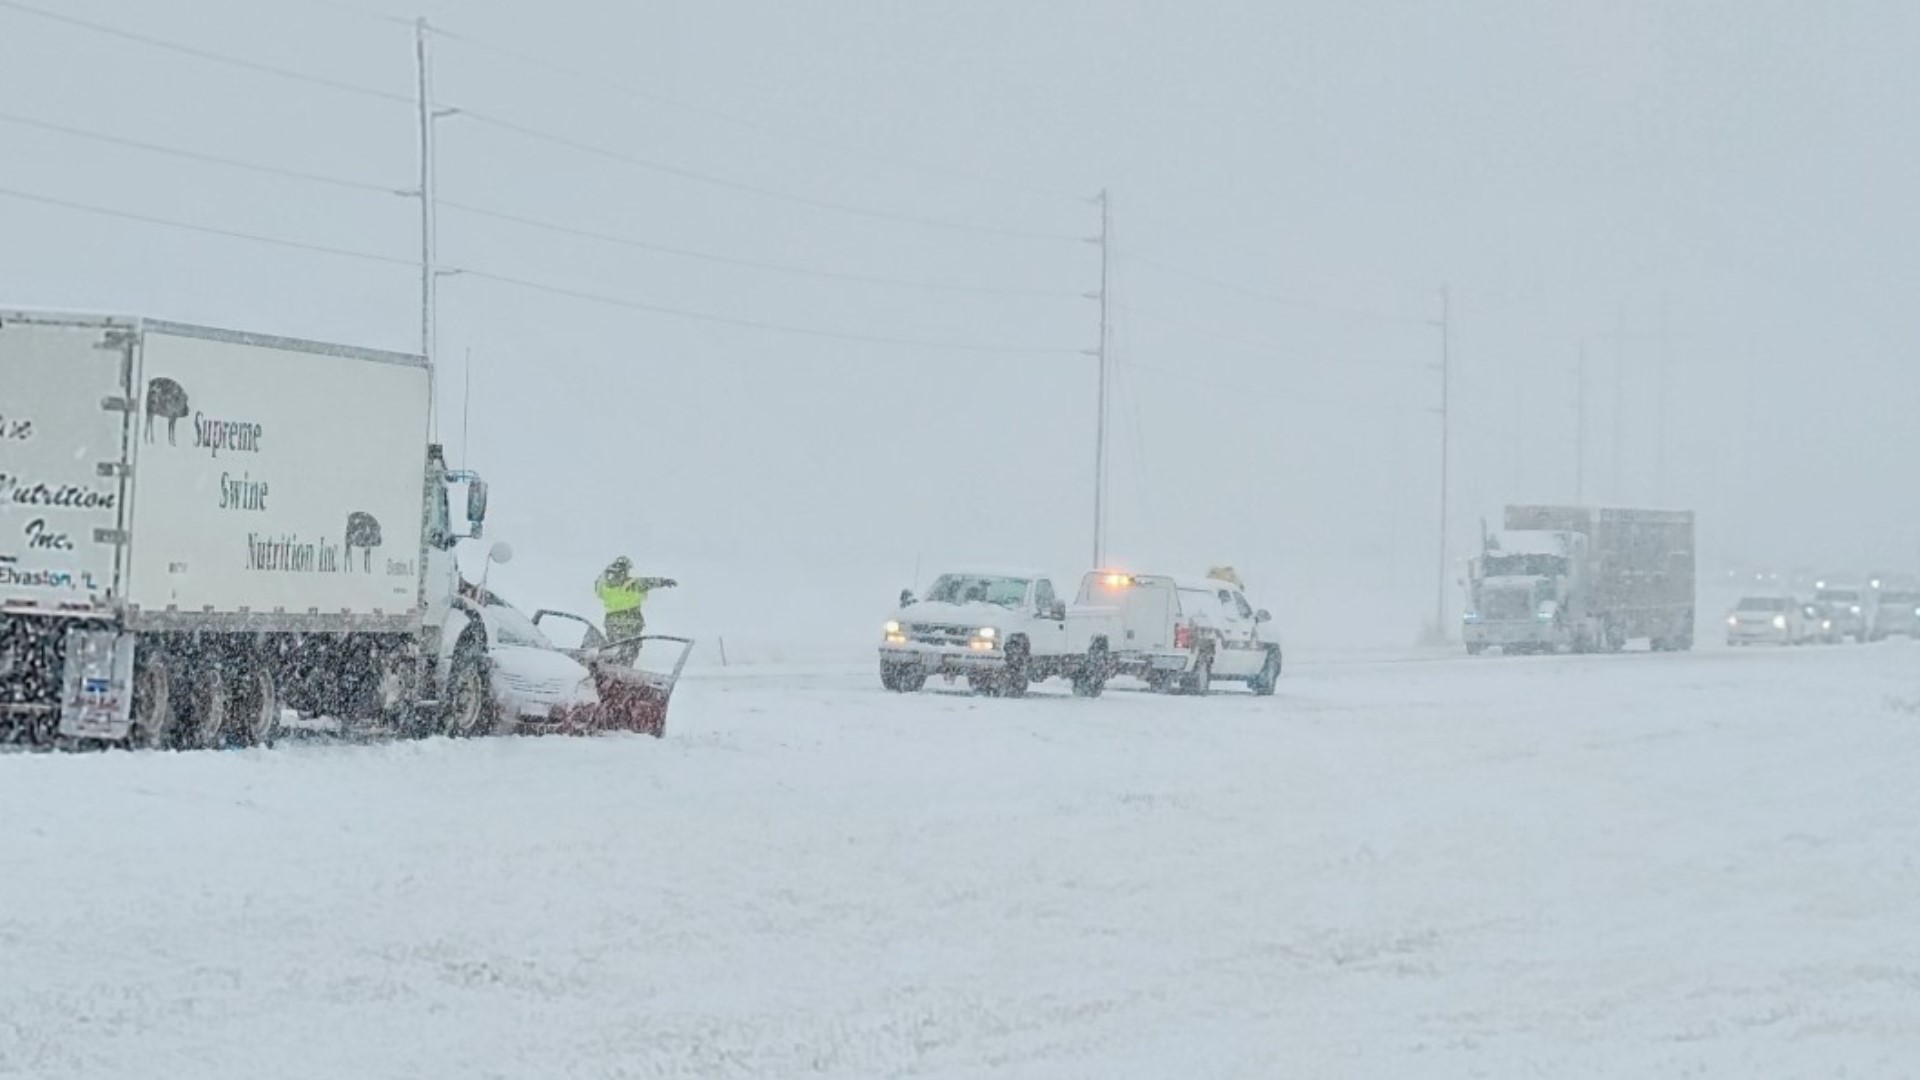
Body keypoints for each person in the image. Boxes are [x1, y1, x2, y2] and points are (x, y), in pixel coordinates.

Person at [595, 556, 675, 645]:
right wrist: (663, 581)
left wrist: (605, 573)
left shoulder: (604, 585)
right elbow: (649, 582)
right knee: (632, 645)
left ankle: (608, 655)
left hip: (611, 621)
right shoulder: (632, 584)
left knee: (614, 643)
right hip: (631, 619)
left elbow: (597, 587)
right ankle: (622, 654)